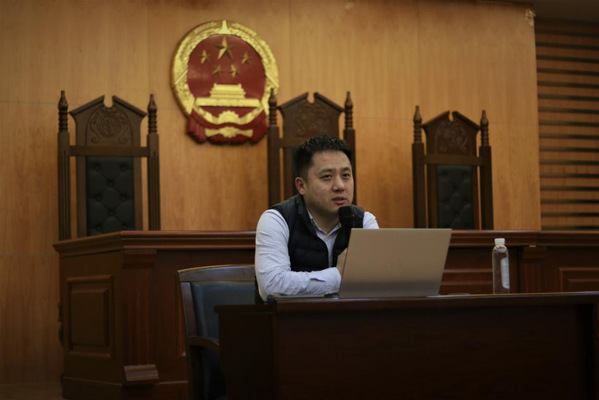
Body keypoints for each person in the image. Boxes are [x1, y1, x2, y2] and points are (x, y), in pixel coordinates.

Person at [255, 135, 379, 301]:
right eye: (327, 177)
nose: (340, 186)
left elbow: (377, 281)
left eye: (346, 175)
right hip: (293, 317)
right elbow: (271, 286)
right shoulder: (277, 220)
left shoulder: (364, 221)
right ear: (301, 186)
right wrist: (338, 275)